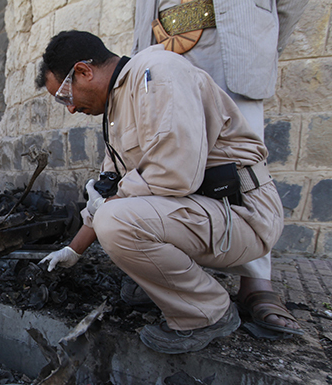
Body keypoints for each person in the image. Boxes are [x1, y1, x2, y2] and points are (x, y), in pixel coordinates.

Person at [37, 30, 295, 354]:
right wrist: (72, 252)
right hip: (209, 212)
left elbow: (175, 173)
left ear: (84, 71)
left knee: (116, 222)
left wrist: (108, 207)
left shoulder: (156, 74)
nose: (70, 108)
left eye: (65, 96)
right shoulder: (119, 104)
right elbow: (108, 187)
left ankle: (207, 313)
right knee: (112, 216)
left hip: (242, 213)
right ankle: (169, 289)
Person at [129, 0, 308, 336]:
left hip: (229, 42)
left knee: (239, 160)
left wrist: (262, 42)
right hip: (160, 47)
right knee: (166, 160)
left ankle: (256, 281)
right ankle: (175, 274)